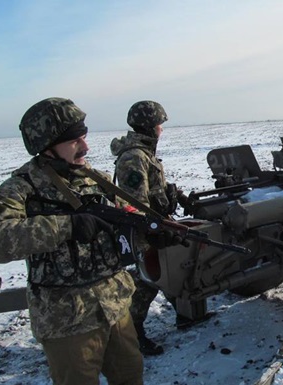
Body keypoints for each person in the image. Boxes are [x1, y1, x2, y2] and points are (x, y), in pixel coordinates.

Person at [0, 97, 147, 385]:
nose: (85, 147)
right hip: (67, 321)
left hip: (115, 307)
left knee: (131, 376)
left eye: (84, 137)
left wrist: (151, 234)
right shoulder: (22, 188)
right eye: (75, 141)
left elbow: (126, 222)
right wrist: (66, 226)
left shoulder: (96, 180)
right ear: (48, 145)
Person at [110, 100, 211, 356]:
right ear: (148, 126)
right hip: (145, 230)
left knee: (169, 270)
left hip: (156, 224)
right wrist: (154, 231)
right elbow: (134, 202)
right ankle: (132, 335)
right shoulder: (133, 157)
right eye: (158, 125)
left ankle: (184, 313)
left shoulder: (144, 153)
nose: (161, 130)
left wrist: (176, 195)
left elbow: (153, 188)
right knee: (149, 281)